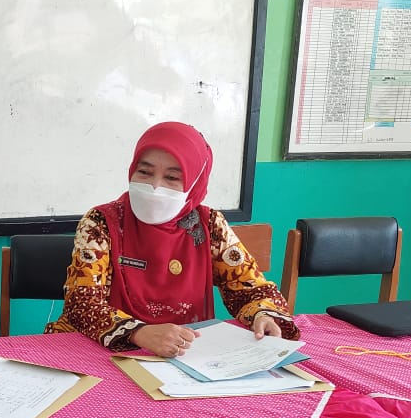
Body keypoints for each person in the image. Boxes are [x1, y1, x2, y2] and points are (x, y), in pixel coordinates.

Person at [46, 121, 297, 357]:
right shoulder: (101, 222)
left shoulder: (209, 225)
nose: (155, 186)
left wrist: (263, 316)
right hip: (100, 347)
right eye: (144, 172)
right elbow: (83, 303)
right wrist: (139, 333)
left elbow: (249, 288)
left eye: (172, 178)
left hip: (185, 351)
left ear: (195, 183)